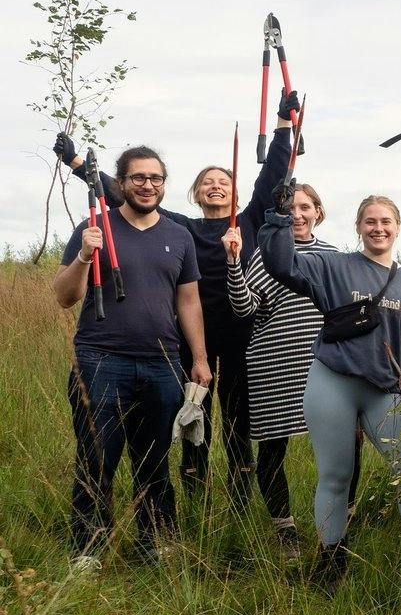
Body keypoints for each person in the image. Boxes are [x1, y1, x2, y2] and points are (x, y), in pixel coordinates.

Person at [57, 94, 296, 506]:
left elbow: (274, 173)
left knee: (238, 424)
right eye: (207, 182)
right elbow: (126, 197)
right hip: (190, 338)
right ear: (194, 193)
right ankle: (196, 499)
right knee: (193, 420)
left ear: (235, 192)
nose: (215, 186)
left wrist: (281, 123)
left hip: (241, 336)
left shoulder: (250, 220)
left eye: (223, 181)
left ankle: (239, 505)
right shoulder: (180, 229)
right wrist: (81, 168)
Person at [258, 190, 401, 592]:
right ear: (358, 228)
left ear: (398, 227)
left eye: (386, 221)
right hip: (333, 381)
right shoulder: (334, 265)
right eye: (370, 221)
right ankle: (330, 564)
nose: (378, 228)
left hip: (386, 390)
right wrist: (279, 218)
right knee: (336, 475)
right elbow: (282, 265)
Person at [53, 147, 212, 572]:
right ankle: (87, 550)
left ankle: (156, 543)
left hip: (163, 363)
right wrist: (86, 256)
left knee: (155, 460)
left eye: (156, 178)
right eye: (138, 178)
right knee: (97, 457)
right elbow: (65, 297)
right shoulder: (94, 227)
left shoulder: (179, 236)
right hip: (100, 361)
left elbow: (189, 300)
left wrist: (198, 358)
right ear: (120, 182)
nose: (147, 185)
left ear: (164, 184)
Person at [225, 181, 338, 559]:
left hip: (326, 366)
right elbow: (244, 309)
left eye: (306, 207)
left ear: (318, 213)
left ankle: (338, 522)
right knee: (273, 450)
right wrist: (233, 265)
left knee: (341, 445)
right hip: (273, 363)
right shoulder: (262, 255)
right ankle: (284, 529)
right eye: (291, 208)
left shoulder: (334, 256)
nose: (298, 214)